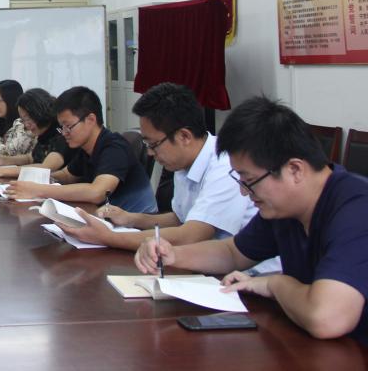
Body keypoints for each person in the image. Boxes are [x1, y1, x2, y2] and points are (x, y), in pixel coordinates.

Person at [136, 96, 368, 343]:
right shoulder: (286, 207)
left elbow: (327, 318)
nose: (244, 192)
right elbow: (233, 252)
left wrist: (275, 284)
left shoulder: (356, 209)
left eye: (249, 181)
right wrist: (172, 254)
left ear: (295, 170)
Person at [56, 83, 257, 250]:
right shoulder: (183, 162)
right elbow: (180, 218)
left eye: (153, 144)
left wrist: (107, 237)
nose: (151, 153)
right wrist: (130, 218)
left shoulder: (224, 166)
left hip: (244, 276)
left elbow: (190, 235)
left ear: (184, 136)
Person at [6, 86, 156, 213]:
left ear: (90, 120)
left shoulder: (114, 147)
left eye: (68, 126)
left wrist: (38, 189)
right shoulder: (86, 148)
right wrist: (34, 180)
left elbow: (97, 192)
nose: (64, 133)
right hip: (104, 218)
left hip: (136, 228)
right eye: (62, 127)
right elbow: (66, 175)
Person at [0, 88, 75, 179]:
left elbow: (45, 168)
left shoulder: (61, 133)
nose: (26, 125)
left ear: (39, 112)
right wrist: (3, 160)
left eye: (28, 119)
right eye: (23, 120)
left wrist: (2, 171)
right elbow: (30, 158)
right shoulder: (44, 133)